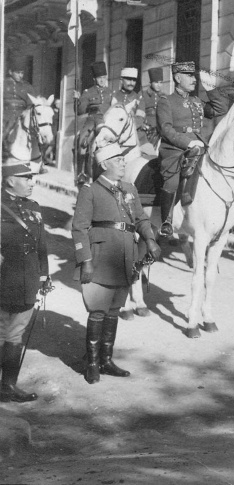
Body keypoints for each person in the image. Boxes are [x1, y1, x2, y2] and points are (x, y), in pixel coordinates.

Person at [72, 144, 161, 382]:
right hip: (100, 257)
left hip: (125, 257)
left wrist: (150, 239)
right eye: (118, 159)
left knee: (114, 310)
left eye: (124, 159)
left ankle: (106, 360)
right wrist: (85, 260)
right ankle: (91, 362)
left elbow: (141, 219)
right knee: (98, 310)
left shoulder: (130, 188)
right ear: (104, 164)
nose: (123, 163)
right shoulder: (90, 190)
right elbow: (79, 228)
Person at [0, 160, 51, 402]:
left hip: (27, 278)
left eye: (32, 178)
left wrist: (44, 275)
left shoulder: (35, 207)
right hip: (3, 277)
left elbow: (41, 244)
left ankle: (7, 386)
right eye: (27, 178)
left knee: (16, 333)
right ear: (10, 180)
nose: (32, 182)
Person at [155, 61, 210, 237]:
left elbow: (217, 109)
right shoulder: (166, 102)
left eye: (194, 76)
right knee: (172, 179)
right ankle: (167, 221)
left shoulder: (196, 101)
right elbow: (166, 129)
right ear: (178, 78)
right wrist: (187, 143)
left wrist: (210, 88)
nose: (194, 79)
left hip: (200, 144)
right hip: (175, 149)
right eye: (189, 76)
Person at [3, 57, 39, 151]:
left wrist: (27, 110)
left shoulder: (27, 86)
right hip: (5, 113)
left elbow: (32, 102)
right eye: (17, 72)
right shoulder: (3, 84)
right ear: (10, 72)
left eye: (22, 73)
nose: (20, 75)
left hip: (21, 114)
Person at [141, 67, 169, 148]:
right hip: (148, 131)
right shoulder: (143, 95)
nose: (159, 85)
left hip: (162, 130)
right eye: (156, 82)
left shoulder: (164, 96)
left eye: (161, 82)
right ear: (150, 83)